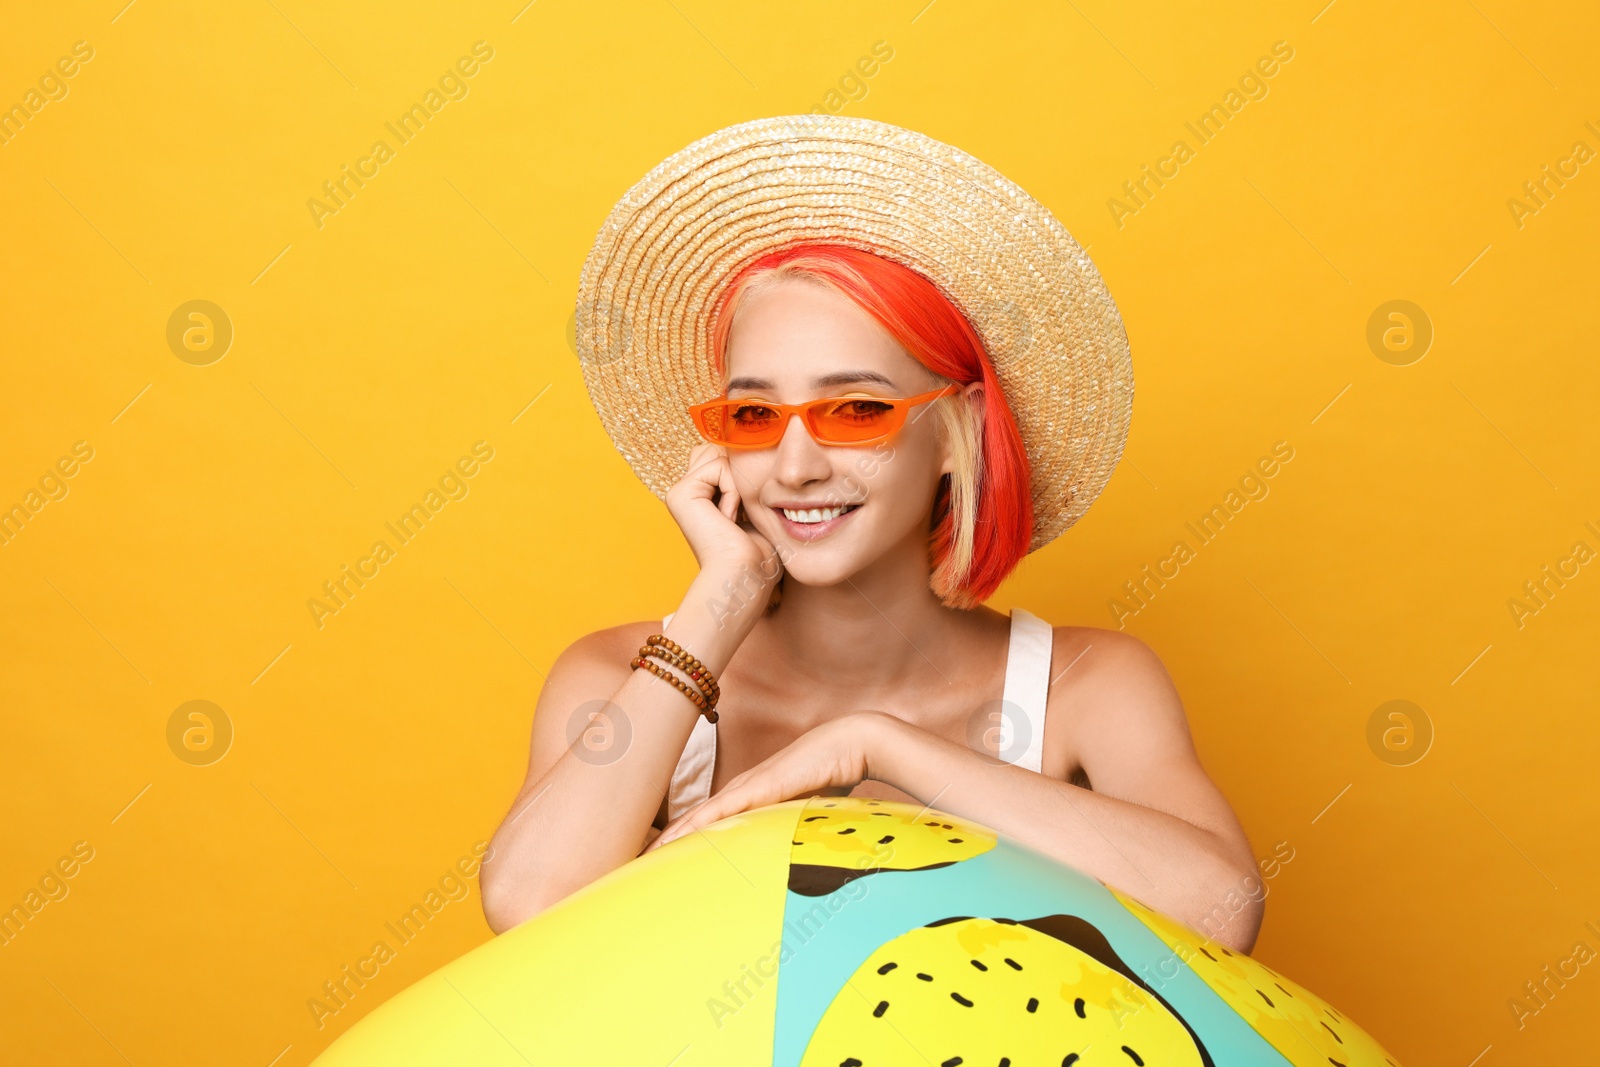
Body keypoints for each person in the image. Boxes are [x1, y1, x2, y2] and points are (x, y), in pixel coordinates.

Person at [481, 116, 1262, 953]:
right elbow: (530, 903)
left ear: (955, 431)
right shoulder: (611, 676)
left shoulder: (1084, 685)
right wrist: (716, 606)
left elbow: (1222, 908)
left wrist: (872, 744)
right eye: (754, 414)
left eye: (854, 409)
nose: (795, 466)